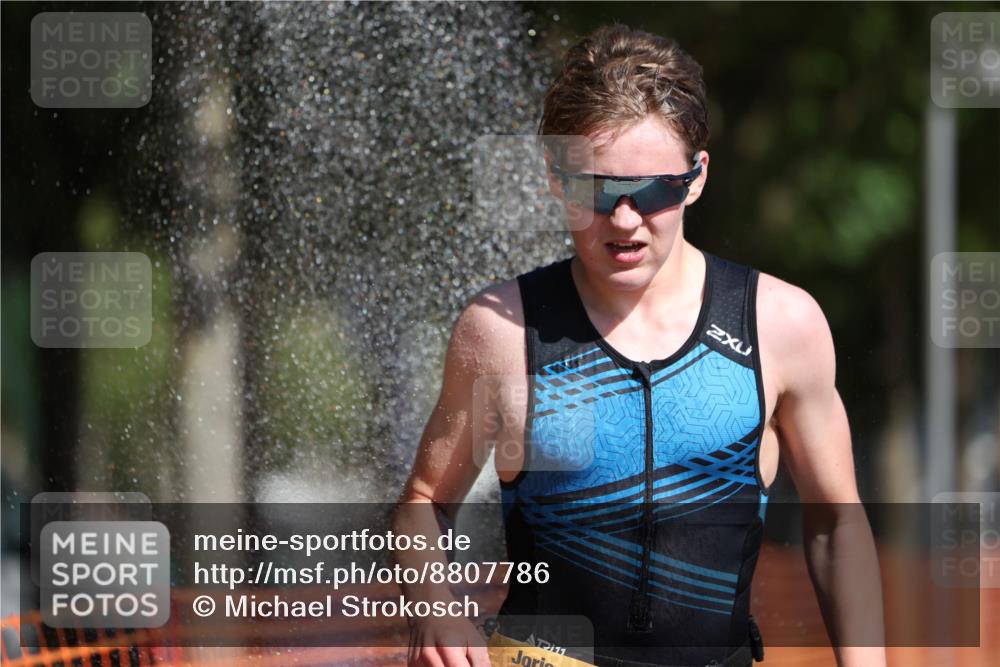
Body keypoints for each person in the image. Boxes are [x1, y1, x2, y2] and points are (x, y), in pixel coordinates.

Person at [393, 24, 886, 667]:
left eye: (653, 191)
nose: (624, 220)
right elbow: (424, 505)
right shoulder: (501, 331)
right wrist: (436, 607)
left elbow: (837, 520)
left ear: (696, 176)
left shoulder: (781, 324)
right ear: (555, 179)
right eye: (597, 190)